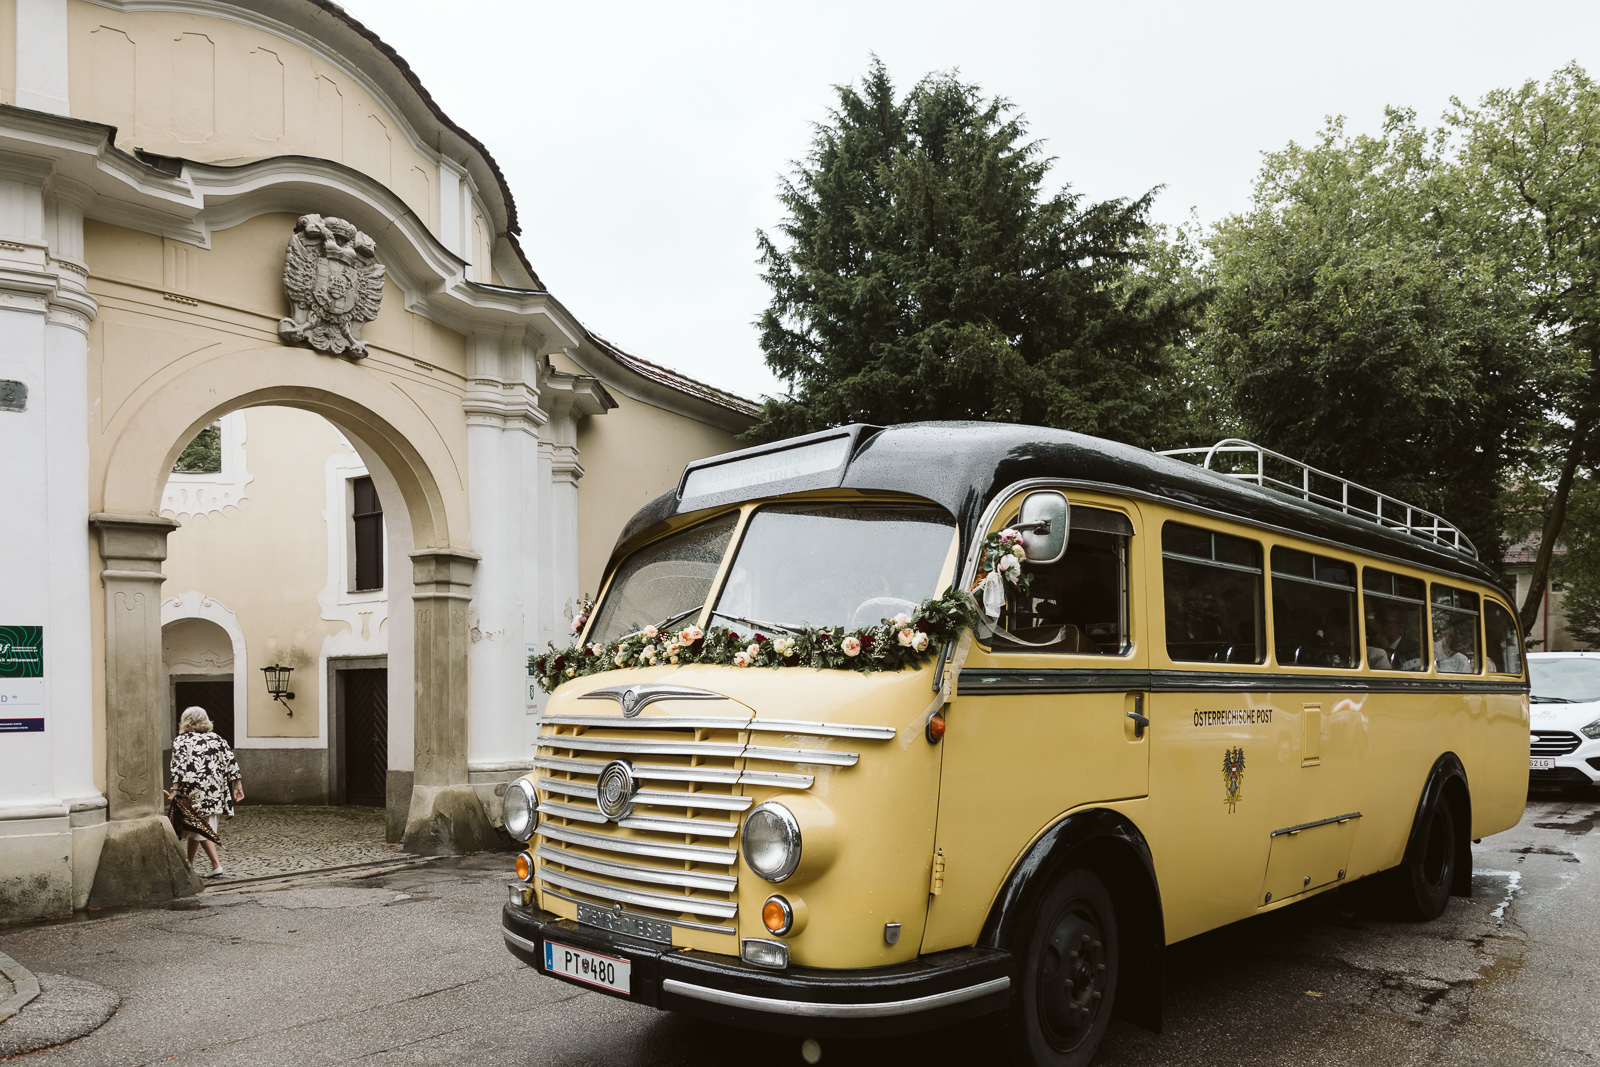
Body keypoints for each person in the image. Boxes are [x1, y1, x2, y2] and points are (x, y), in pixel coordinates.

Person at [167, 706, 243, 877]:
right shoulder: (217, 739)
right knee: (197, 828)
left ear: (185, 721)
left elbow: (178, 767)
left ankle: (211, 865)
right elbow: (232, 764)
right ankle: (191, 866)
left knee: (199, 828)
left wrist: (174, 789)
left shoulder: (182, 740)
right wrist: (238, 787)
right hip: (215, 794)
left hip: (193, 793)